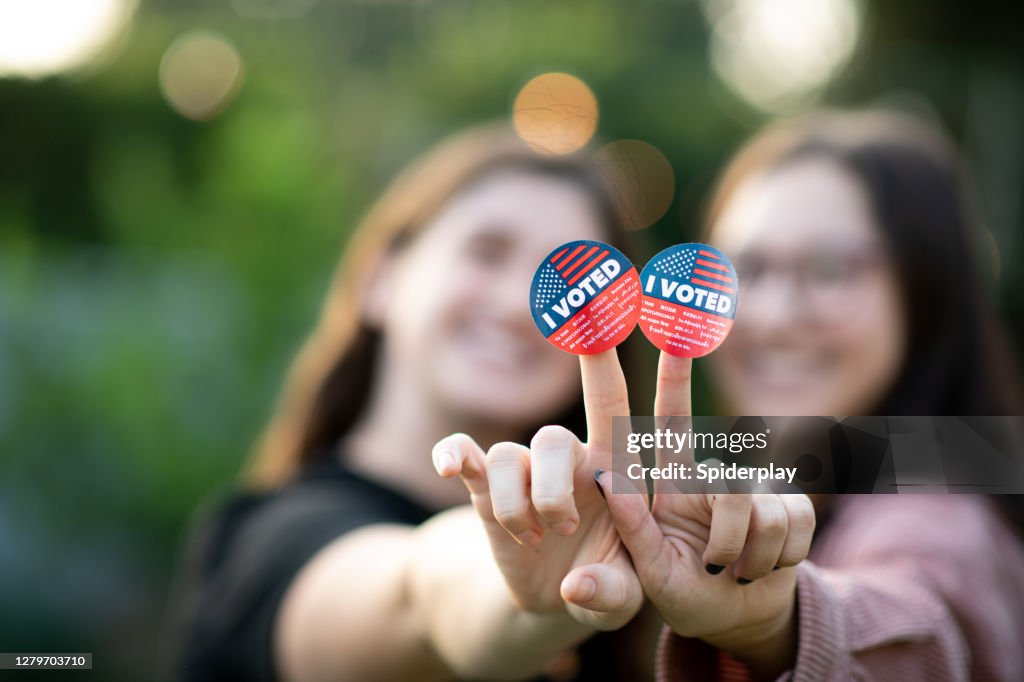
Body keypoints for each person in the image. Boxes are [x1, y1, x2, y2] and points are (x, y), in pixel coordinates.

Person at [454, 108, 1024, 681]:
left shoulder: (944, 508)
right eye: (743, 269)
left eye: (829, 269)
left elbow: (925, 617)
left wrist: (782, 625)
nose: (773, 316)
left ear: (926, 293)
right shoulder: (734, 487)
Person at [166, 123, 669, 682]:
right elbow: (422, 594)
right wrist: (522, 600)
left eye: (571, 277)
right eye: (486, 252)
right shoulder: (270, 542)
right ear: (381, 277)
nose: (515, 304)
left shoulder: (620, 564)